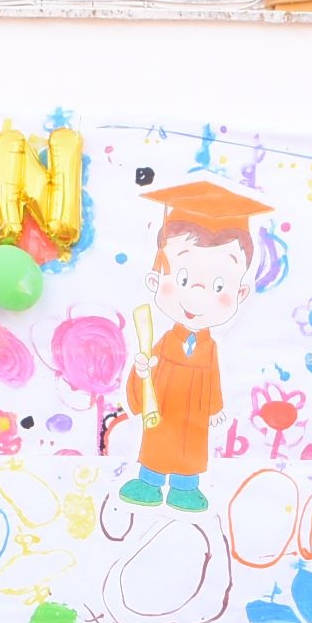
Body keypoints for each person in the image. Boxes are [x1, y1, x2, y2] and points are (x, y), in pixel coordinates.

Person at [118, 180, 268, 514]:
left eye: (218, 286)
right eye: (183, 280)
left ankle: (186, 487)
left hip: (194, 413)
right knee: (159, 443)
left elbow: (213, 382)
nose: (198, 298)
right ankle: (149, 480)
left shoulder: (211, 348)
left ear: (241, 294)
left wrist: (214, 409)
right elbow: (144, 372)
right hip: (165, 406)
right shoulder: (162, 343)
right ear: (156, 280)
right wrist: (142, 371)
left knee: (190, 448)